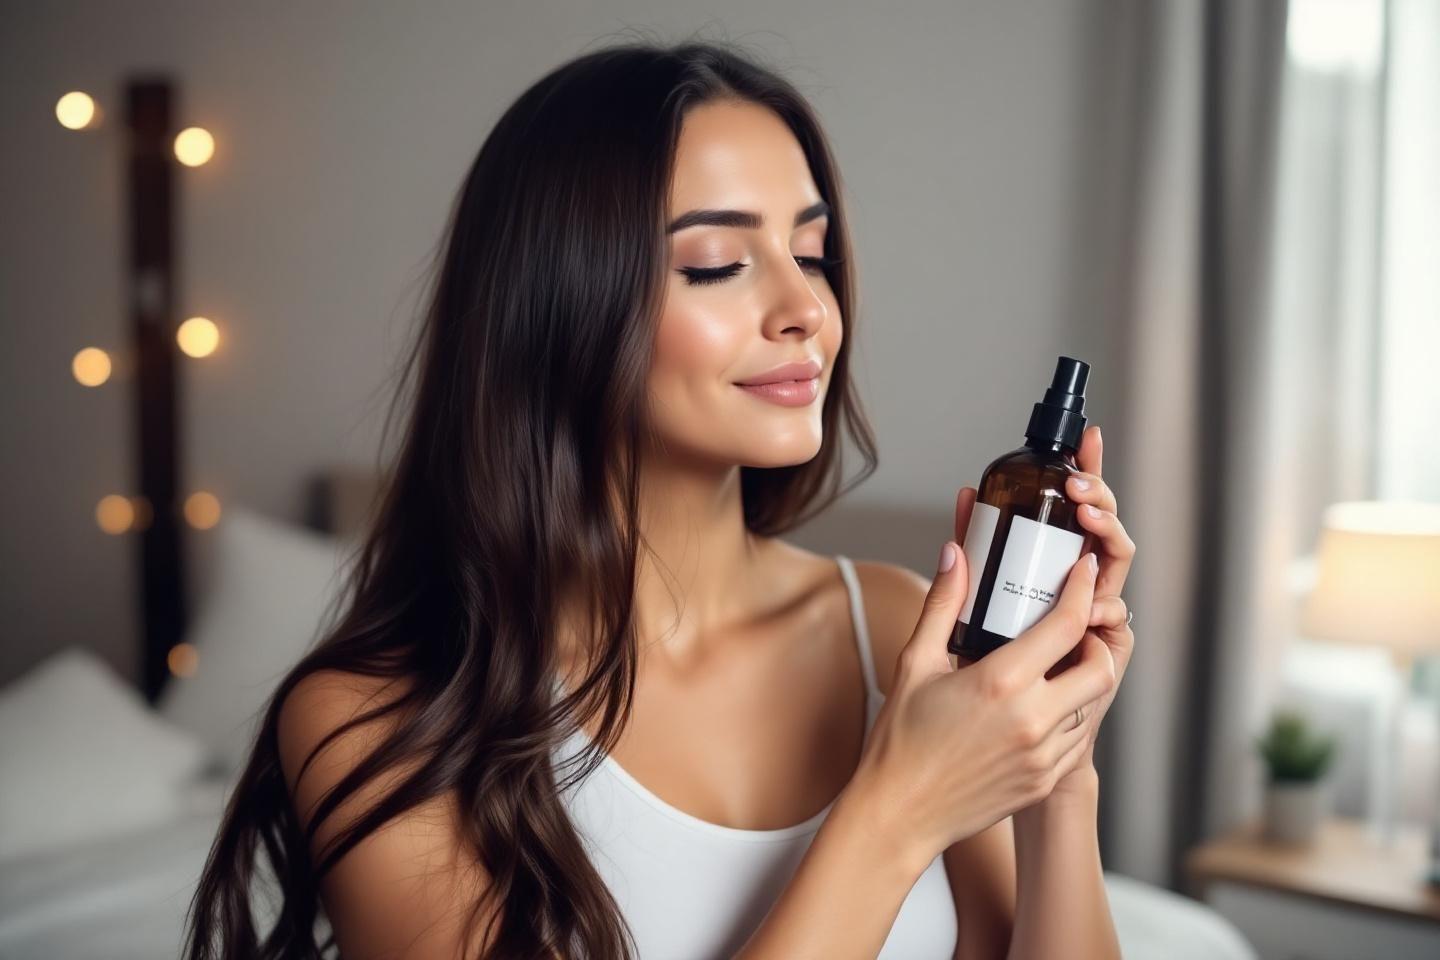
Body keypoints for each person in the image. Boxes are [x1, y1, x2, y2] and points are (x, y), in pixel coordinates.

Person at [182, 35, 1136, 960]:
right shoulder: (374, 720)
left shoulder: (897, 630)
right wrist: (899, 807)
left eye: (811, 253)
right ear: (556, 306)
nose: (807, 309)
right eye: (718, 263)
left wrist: (1057, 774)